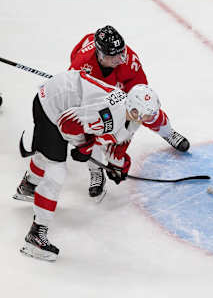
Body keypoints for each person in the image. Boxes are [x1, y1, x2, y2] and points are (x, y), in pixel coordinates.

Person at [15, 25, 189, 201]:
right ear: (100, 55)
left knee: (145, 110)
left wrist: (123, 123)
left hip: (121, 87)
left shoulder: (128, 60)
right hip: (96, 91)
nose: (121, 58)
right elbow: (78, 108)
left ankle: (168, 132)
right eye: (115, 56)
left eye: (123, 53)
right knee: (93, 130)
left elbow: (141, 91)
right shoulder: (82, 65)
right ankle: (95, 170)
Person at [17, 69, 160, 261]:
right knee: (56, 171)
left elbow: (115, 143)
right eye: (144, 115)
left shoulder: (130, 116)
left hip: (62, 99)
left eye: (149, 116)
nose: (146, 120)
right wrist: (84, 145)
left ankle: (29, 185)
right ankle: (35, 236)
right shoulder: (110, 114)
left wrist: (119, 165)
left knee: (49, 152)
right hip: (51, 105)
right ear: (134, 109)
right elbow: (67, 124)